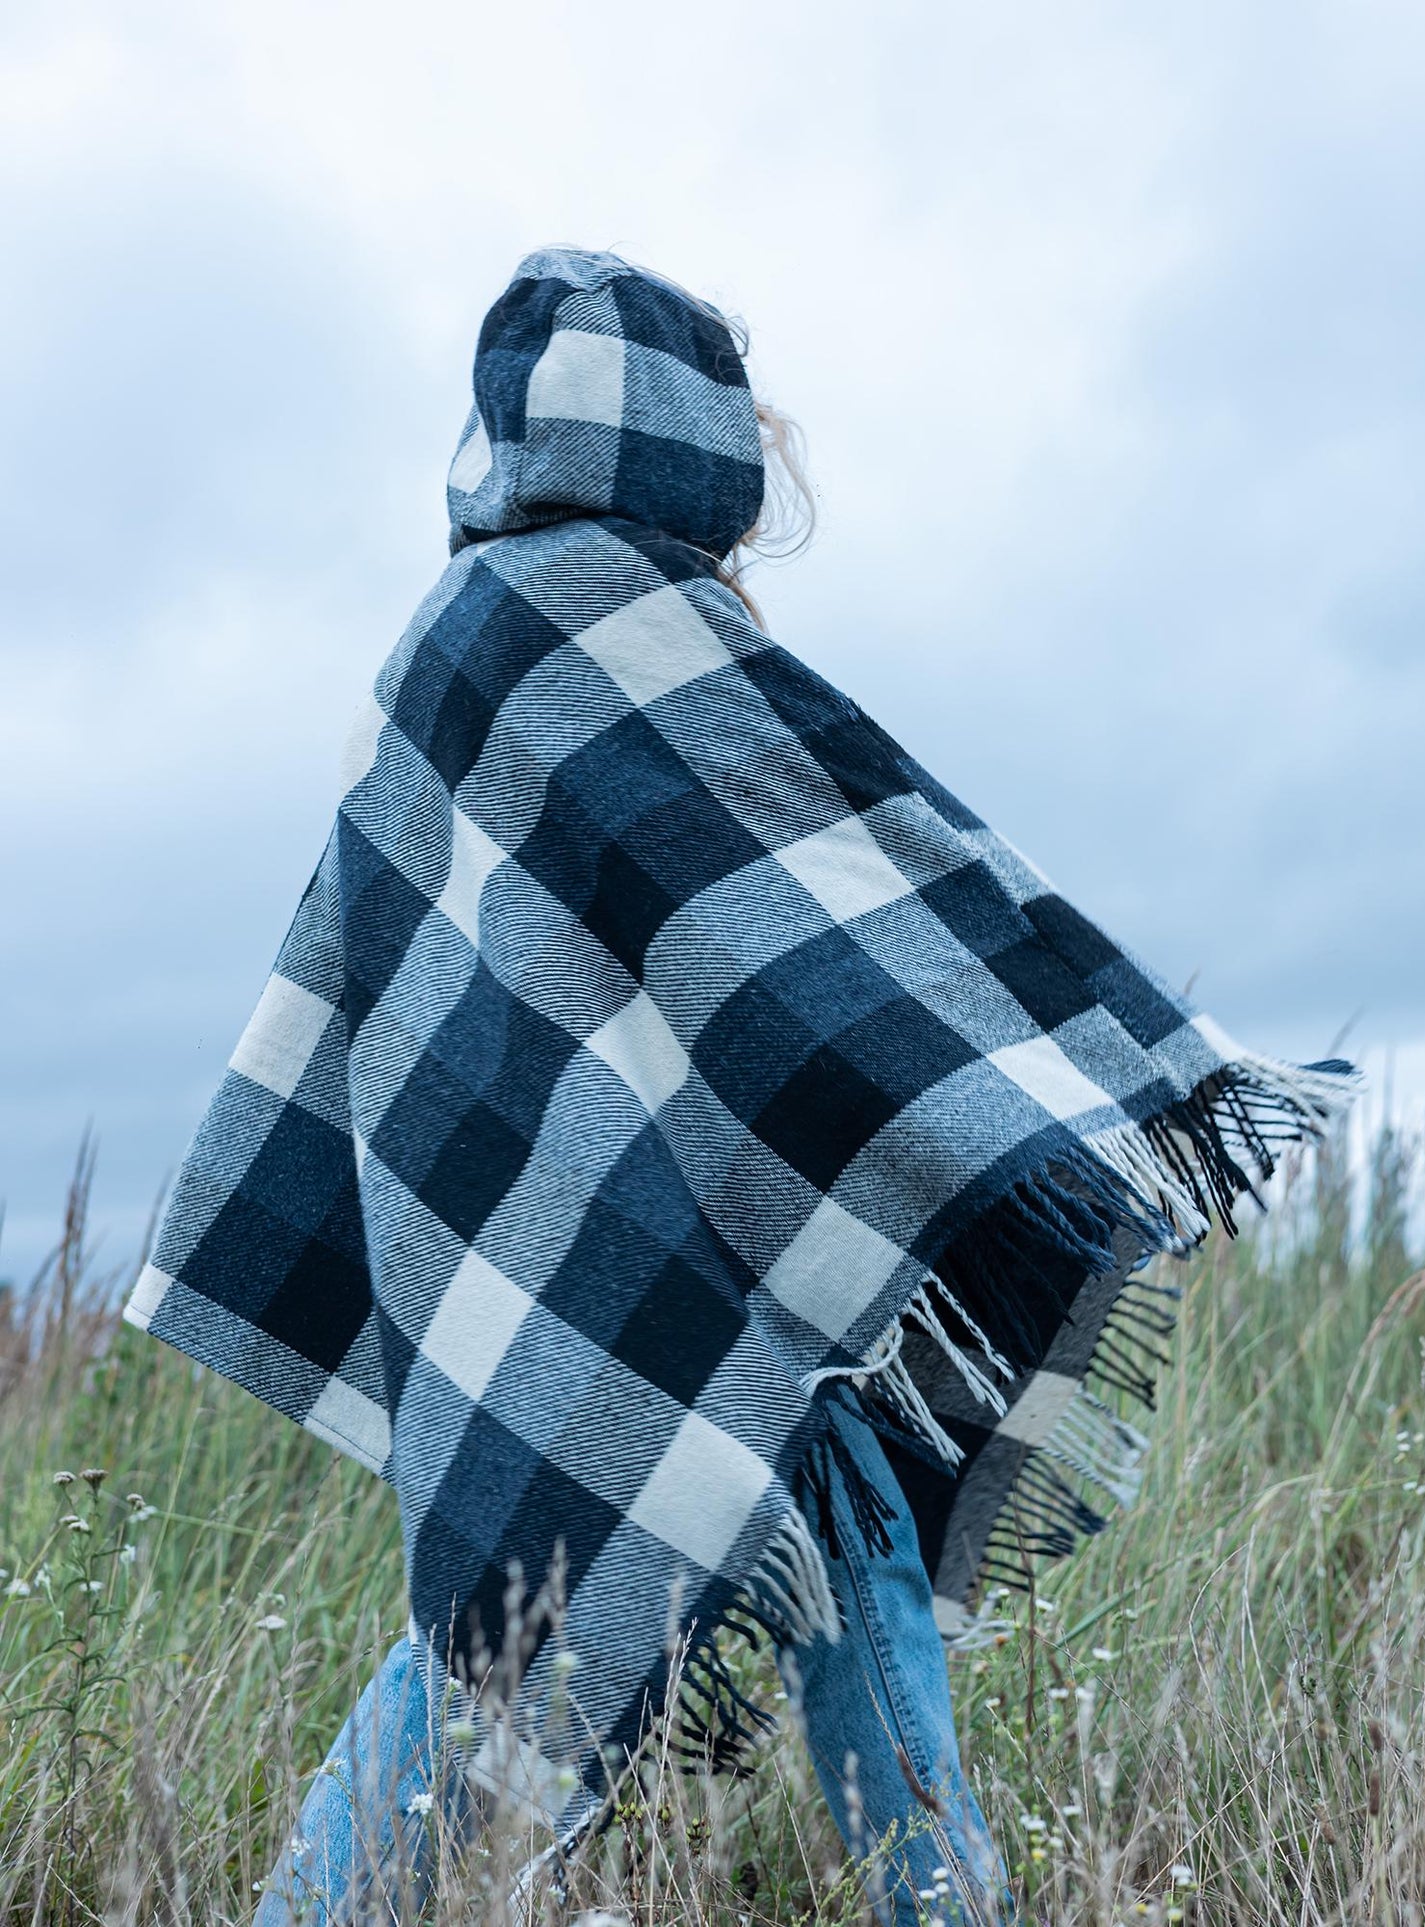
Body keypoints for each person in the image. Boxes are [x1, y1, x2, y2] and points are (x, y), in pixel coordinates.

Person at [125, 247, 1356, 1926]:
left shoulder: (447, 638)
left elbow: (798, 926)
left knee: (555, 1599)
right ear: (699, 437)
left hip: (654, 1247)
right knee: (533, 1611)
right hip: (690, 1241)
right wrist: (1094, 1064)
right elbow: (886, 903)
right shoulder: (630, 625)